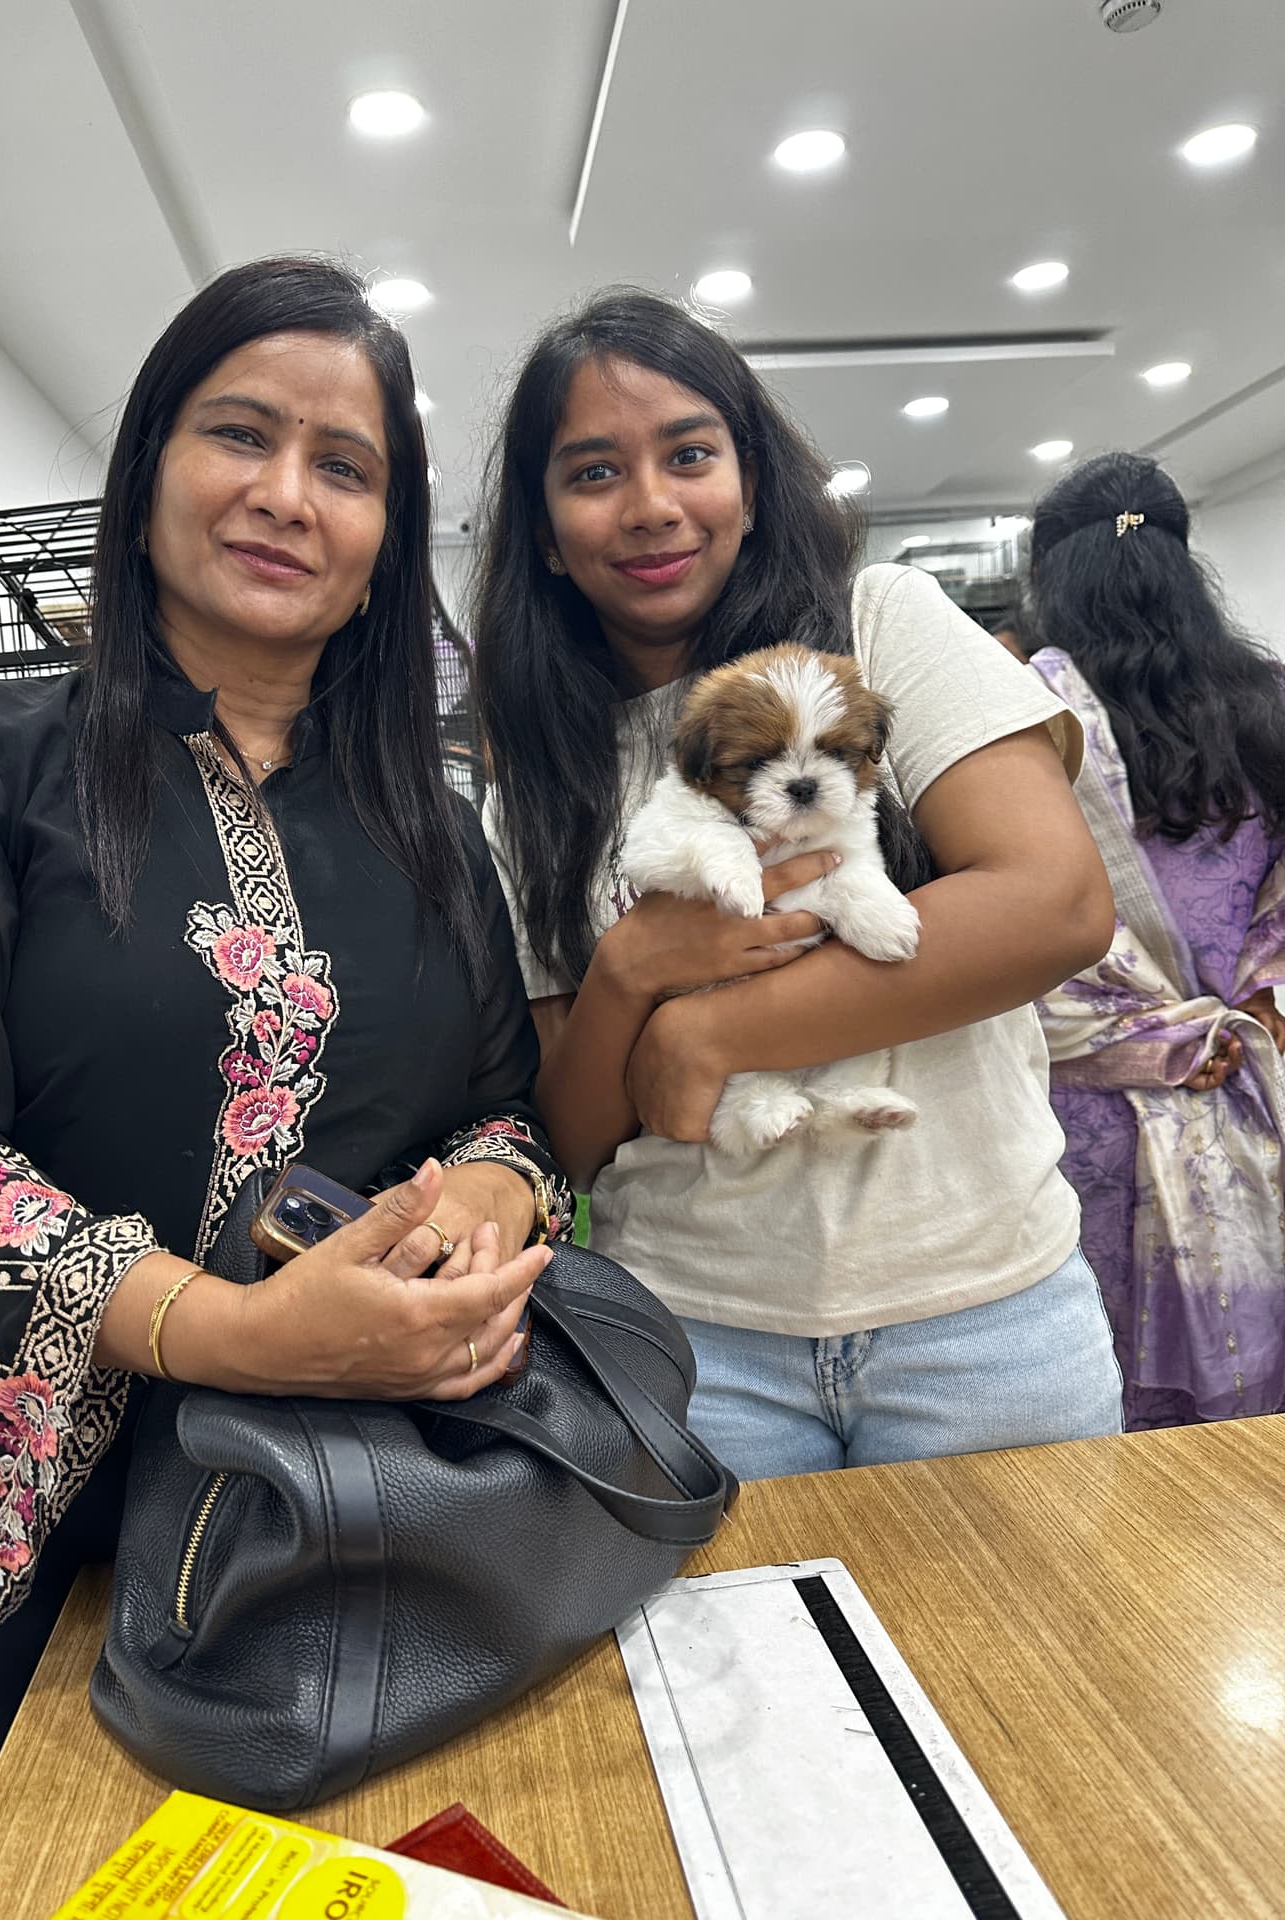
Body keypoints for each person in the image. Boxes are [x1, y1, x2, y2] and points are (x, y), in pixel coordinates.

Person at [0, 256, 567, 1919]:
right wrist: (229, 1330)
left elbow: (509, 1116)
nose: (285, 495)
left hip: (377, 1515)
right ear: (152, 461)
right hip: (59, 1534)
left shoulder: (430, 828)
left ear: (388, 539)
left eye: (348, 467)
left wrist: (484, 1199)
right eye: (240, 433)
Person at [474, 288, 1123, 1485]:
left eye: (690, 453)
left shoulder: (882, 624)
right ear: (546, 526)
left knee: (1034, 1673)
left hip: (982, 1311)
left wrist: (712, 1030)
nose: (653, 505)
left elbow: (1056, 904)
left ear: (754, 477)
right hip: (689, 1336)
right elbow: (567, 1130)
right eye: (594, 472)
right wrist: (628, 975)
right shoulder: (537, 776)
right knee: (730, 1679)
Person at [1023, 452, 1285, 1430]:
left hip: (1072, 1112)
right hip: (1242, 1085)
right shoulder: (1267, 702)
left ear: (1051, 577)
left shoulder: (1019, 720)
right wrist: (1250, 1009)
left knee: (1089, 1392)